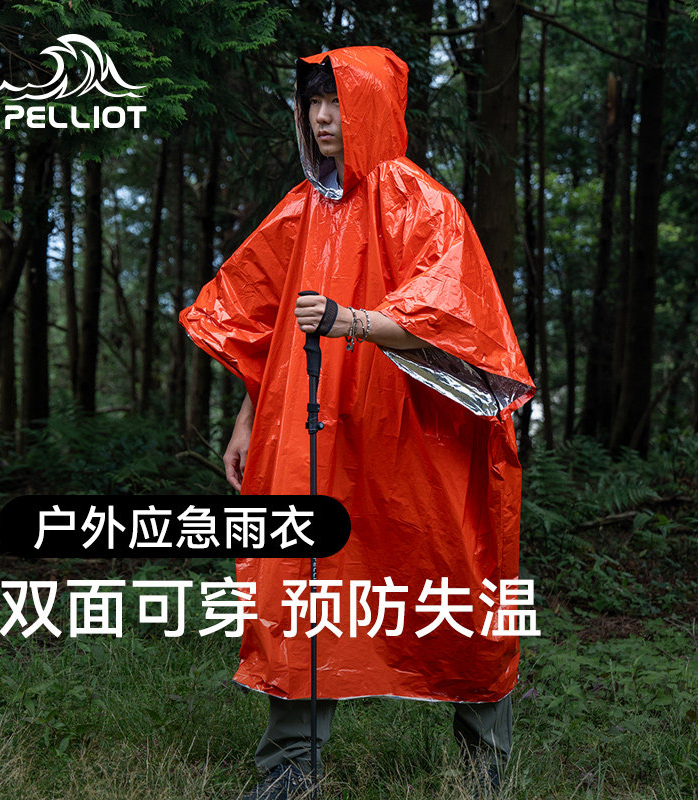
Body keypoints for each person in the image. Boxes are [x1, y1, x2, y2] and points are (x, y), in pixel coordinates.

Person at [180, 46, 534, 800]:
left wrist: (355, 320)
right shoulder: (301, 210)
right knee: (300, 577)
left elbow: (459, 318)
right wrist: (249, 418)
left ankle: (483, 772)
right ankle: (289, 770)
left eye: (336, 102)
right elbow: (267, 327)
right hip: (311, 428)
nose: (321, 118)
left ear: (370, 107)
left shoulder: (423, 204)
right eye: (312, 103)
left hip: (414, 435)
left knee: (455, 578)